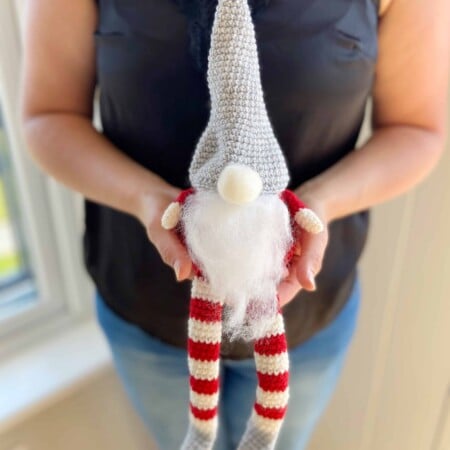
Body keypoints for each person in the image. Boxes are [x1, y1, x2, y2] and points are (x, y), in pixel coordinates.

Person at [19, 0, 449, 449]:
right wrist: (147, 199)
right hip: (146, 304)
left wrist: (317, 204)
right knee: (183, 440)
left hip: (304, 316)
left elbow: (414, 128)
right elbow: (49, 116)